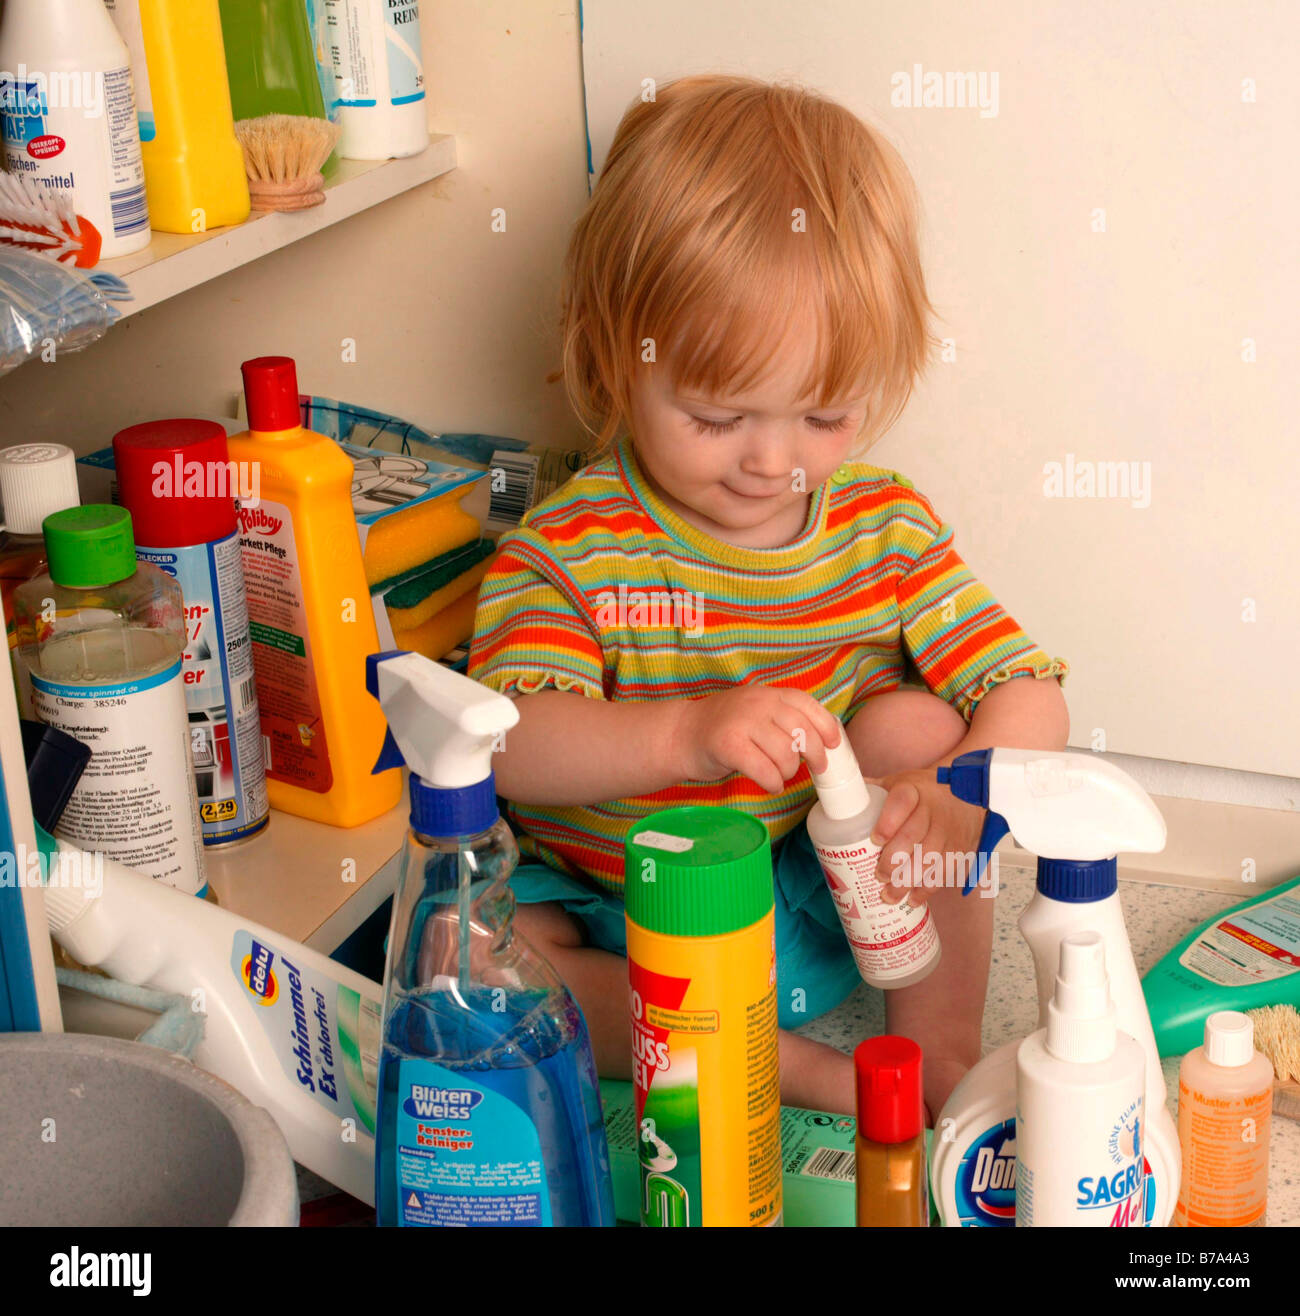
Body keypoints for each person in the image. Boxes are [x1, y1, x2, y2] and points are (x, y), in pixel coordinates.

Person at [467, 74, 1069, 1118]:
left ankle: (928, 1053)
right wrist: (679, 738)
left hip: (824, 897)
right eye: (714, 416)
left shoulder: (883, 527)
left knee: (922, 723)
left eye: (825, 417)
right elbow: (507, 741)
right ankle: (793, 1069)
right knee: (484, 957)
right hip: (625, 921)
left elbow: (1028, 686)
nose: (771, 462)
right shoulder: (570, 546)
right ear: (615, 356)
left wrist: (968, 795)